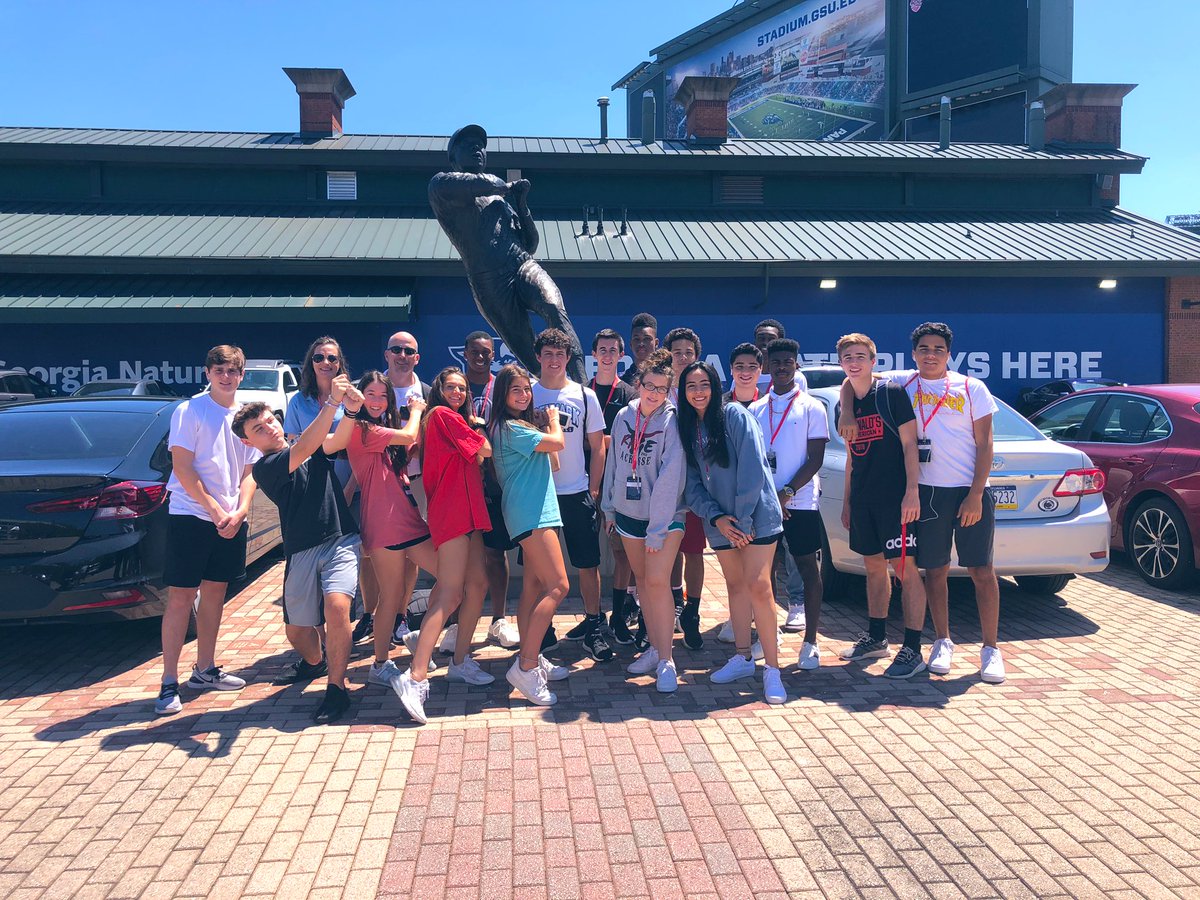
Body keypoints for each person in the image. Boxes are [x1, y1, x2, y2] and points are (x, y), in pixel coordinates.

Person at [839, 322, 1005, 684]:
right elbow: (854, 376)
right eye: (924, 349)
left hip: (967, 489)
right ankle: (942, 641)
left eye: (938, 349)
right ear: (913, 354)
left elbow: (985, 443)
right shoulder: (903, 385)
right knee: (936, 571)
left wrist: (976, 493)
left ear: (949, 354)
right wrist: (847, 410)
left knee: (981, 570)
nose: (931, 354)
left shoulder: (970, 387)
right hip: (926, 492)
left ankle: (991, 648)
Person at [233, 377, 359, 724]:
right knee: (297, 632)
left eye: (270, 421)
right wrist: (332, 404)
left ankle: (337, 688)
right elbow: (304, 449)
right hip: (301, 550)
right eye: (258, 429)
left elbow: (337, 441)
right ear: (248, 441)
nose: (269, 428)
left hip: (341, 539)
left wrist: (351, 409)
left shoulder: (307, 441)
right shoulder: (265, 467)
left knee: (337, 608)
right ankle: (315, 662)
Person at [429, 124, 587, 382]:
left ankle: (581, 388)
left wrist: (521, 204)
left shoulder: (498, 199)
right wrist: (506, 187)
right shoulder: (441, 186)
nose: (478, 150)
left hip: (521, 264)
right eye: (469, 147)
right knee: (525, 347)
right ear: (453, 156)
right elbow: (490, 181)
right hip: (490, 281)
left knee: (554, 308)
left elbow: (530, 243)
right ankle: (547, 393)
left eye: (481, 147)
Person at [155, 345, 257, 715]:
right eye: (219, 369)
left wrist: (241, 509)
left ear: (242, 374)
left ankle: (205, 670)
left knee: (215, 595)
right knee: (182, 599)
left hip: (231, 519)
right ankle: (168, 682)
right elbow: (182, 466)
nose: (226, 376)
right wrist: (214, 509)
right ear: (208, 372)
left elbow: (250, 470)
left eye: (233, 370)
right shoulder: (190, 410)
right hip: (191, 517)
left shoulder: (246, 416)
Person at [677, 362, 787, 705]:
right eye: (691, 386)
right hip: (724, 522)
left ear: (714, 385)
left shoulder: (734, 415)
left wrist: (740, 519)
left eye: (704, 384)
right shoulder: (687, 427)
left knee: (758, 585)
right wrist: (718, 519)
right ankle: (742, 657)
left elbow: (754, 468)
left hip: (757, 517)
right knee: (735, 585)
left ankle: (772, 670)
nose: (698, 391)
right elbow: (692, 486)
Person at [393, 367, 495, 723]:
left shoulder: (452, 418)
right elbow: (484, 448)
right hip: (451, 511)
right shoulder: (442, 415)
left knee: (478, 584)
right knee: (452, 592)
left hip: (470, 511)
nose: (456, 392)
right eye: (450, 386)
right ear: (439, 389)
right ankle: (415, 676)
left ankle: (460, 661)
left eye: (462, 388)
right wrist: (478, 425)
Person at [323, 371, 437, 686]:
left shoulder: (379, 430)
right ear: (358, 398)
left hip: (409, 521)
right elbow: (407, 435)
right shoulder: (361, 429)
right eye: (370, 394)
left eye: (382, 395)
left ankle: (428, 635)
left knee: (454, 579)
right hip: (383, 525)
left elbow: (404, 449)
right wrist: (416, 411)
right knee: (391, 596)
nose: (376, 401)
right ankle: (380, 663)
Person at [834, 333, 929, 679]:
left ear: (873, 361)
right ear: (842, 363)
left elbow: (910, 445)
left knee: (905, 569)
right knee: (873, 567)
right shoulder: (843, 405)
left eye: (861, 356)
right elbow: (849, 458)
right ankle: (875, 638)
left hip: (895, 498)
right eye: (848, 357)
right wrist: (846, 501)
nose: (854, 362)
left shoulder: (890, 394)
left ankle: (914, 648)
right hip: (862, 498)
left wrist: (912, 492)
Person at [600, 349, 688, 693]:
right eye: (648, 386)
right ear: (639, 384)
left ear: (669, 391)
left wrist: (657, 526)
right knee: (643, 583)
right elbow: (615, 465)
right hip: (627, 516)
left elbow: (671, 475)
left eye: (661, 389)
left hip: (664, 520)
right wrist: (609, 507)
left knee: (656, 584)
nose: (653, 393)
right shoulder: (624, 415)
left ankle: (667, 660)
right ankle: (654, 647)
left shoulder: (672, 420)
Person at [487, 363, 573, 705]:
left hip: (535, 512)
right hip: (530, 514)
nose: (524, 395)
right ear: (503, 394)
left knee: (535, 587)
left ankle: (531, 656)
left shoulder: (515, 425)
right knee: (560, 586)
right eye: (516, 390)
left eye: (526, 389)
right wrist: (553, 419)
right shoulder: (510, 427)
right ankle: (525, 667)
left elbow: (551, 460)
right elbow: (558, 444)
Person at [283, 336, 376, 645]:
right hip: (314, 493)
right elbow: (295, 445)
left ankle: (368, 617)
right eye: (319, 357)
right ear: (311, 363)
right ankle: (323, 641)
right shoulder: (299, 401)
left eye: (332, 359)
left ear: (340, 364)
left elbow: (362, 445)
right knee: (320, 567)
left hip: (353, 484)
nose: (326, 363)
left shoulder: (352, 397)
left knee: (362, 557)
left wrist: (349, 487)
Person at [529, 328, 610, 662]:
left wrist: (595, 487)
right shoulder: (527, 394)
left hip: (576, 491)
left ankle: (593, 627)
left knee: (588, 564)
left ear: (568, 358)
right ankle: (541, 630)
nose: (553, 360)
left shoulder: (584, 395)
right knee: (538, 569)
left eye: (559, 354)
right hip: (539, 494)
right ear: (538, 357)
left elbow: (598, 446)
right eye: (547, 354)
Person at [750, 338, 828, 670]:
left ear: (796, 364)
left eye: (788, 361)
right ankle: (766, 635)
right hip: (766, 503)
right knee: (764, 572)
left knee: (808, 568)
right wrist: (771, 496)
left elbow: (815, 458)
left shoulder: (812, 407)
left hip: (802, 502)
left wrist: (788, 493)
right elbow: (752, 460)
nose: (782, 367)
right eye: (776, 361)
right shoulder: (755, 409)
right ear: (768, 366)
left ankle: (810, 641)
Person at [463, 330, 521, 649]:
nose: (481, 357)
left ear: (492, 354)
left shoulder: (499, 387)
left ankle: (499, 619)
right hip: (460, 484)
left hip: (495, 482)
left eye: (486, 352)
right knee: (462, 558)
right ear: (465, 353)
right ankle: (460, 623)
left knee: (496, 553)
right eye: (475, 351)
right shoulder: (453, 386)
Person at [752, 322, 809, 634]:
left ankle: (796, 604)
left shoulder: (794, 379)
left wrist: (787, 490)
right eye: (760, 340)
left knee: (794, 552)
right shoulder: (750, 372)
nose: (764, 344)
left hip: (794, 489)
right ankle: (764, 608)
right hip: (763, 488)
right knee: (765, 555)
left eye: (770, 340)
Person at [591, 328, 639, 645]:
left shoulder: (630, 395)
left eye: (613, 350)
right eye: (602, 349)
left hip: (620, 486)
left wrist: (598, 440)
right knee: (588, 557)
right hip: (588, 485)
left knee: (622, 556)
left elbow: (632, 440)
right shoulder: (582, 392)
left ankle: (620, 616)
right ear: (594, 354)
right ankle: (592, 619)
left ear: (621, 355)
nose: (607, 355)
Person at [384, 330, 432, 645]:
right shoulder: (373, 389)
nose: (402, 355)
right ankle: (373, 616)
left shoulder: (428, 393)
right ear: (387, 354)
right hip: (382, 484)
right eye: (396, 349)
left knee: (414, 555)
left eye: (409, 351)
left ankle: (400, 616)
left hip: (418, 482)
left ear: (417, 357)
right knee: (379, 554)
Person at [662, 326, 706, 650]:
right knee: (670, 550)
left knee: (693, 550)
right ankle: (676, 601)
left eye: (688, 352)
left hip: (695, 487)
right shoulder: (659, 391)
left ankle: (693, 612)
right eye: (677, 352)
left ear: (696, 356)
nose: (682, 358)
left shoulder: (702, 393)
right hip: (664, 486)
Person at [620, 312, 659, 386]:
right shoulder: (621, 381)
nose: (641, 344)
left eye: (647, 339)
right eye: (637, 339)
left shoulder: (665, 377)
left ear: (656, 343)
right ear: (631, 344)